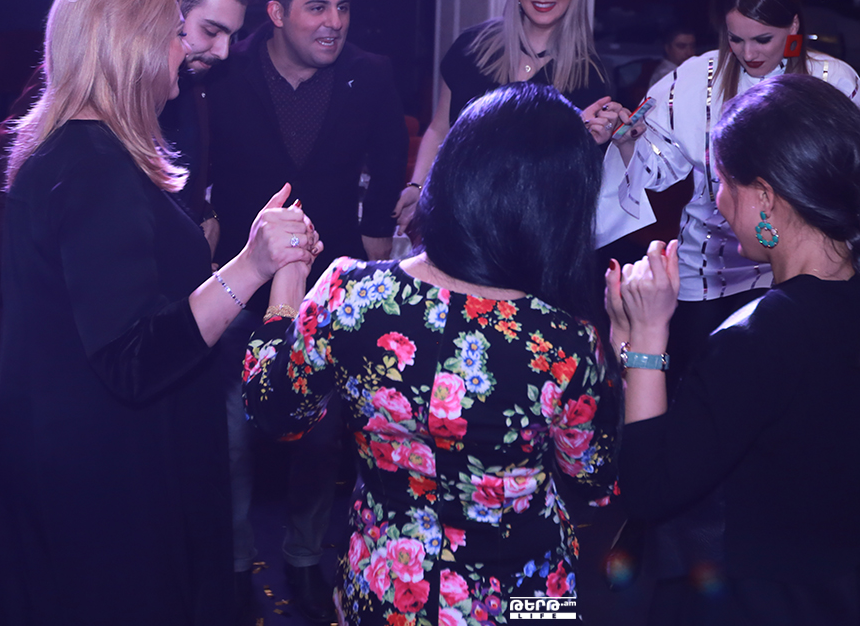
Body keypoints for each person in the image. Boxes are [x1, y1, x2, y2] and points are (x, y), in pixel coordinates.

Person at [0, 0, 320, 626]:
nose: (186, 49)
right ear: (132, 44)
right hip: (107, 483)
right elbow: (133, 357)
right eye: (175, 32)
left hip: (83, 462)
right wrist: (253, 266)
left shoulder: (78, 150)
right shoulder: (94, 168)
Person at [610, 74, 860, 626]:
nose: (717, 201)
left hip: (763, 603)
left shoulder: (757, 337)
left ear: (765, 196)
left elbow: (650, 490)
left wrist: (646, 339)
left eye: (724, 182)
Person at [243, 83, 619, 625]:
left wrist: (287, 291)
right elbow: (595, 481)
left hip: (387, 589)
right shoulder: (565, 343)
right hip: (527, 600)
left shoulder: (349, 293)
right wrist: (633, 346)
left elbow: (274, 412)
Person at [206, 0, 408, 622]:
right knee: (232, 431)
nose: (334, 23)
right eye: (317, 8)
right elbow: (196, 158)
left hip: (327, 282)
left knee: (322, 433)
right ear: (275, 12)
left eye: (342, 8)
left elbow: (390, 153)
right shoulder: (224, 71)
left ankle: (302, 557)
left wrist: (377, 229)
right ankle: (235, 564)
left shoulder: (369, 74)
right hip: (239, 278)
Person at [601, 0, 860, 384]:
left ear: (794, 25)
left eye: (763, 39)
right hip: (708, 275)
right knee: (701, 391)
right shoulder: (694, 80)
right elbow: (657, 167)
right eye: (736, 39)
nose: (749, 54)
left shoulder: (832, 79)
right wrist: (627, 141)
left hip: (808, 273)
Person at [0, 0, 257, 267]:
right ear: (166, 13)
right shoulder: (79, 79)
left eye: (232, 36)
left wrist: (202, 218)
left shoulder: (198, 83)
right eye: (211, 31)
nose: (224, 51)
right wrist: (84, 271)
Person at [394, 0, 620, 230]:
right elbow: (439, 129)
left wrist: (589, 139)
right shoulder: (472, 48)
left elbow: (581, 180)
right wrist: (417, 187)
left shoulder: (591, 75)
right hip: (458, 218)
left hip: (535, 230)